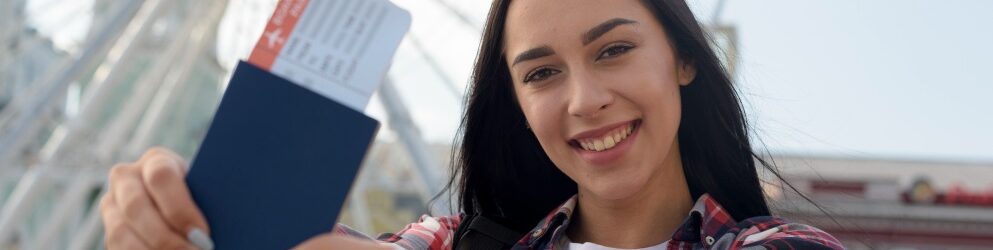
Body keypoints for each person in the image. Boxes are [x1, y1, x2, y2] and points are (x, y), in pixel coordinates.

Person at [99, 0, 846, 249]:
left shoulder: (778, 246)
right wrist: (182, 218)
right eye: (541, 73)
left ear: (683, 59)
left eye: (613, 50)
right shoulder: (453, 242)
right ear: (515, 102)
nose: (584, 99)